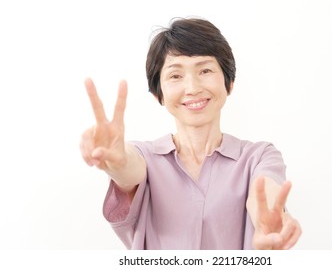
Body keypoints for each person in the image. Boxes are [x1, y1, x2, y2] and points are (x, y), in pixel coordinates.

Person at [80, 17, 302, 250]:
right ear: (159, 94)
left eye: (205, 70)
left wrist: (272, 225)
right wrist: (115, 161)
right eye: (175, 75)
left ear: (229, 83)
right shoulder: (144, 157)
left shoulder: (259, 156)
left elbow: (264, 197)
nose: (193, 88)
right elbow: (128, 169)